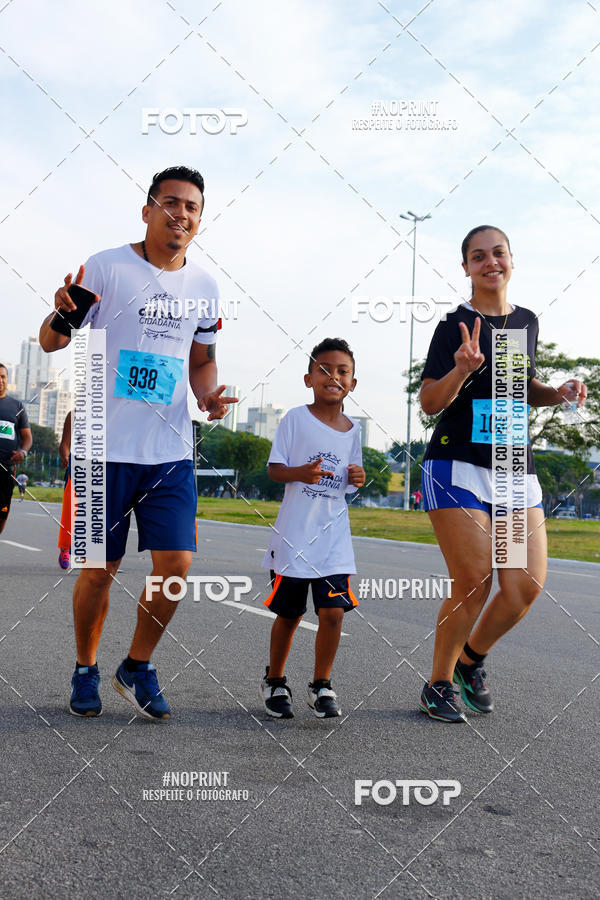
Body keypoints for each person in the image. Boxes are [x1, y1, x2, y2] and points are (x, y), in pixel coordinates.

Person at [39, 165, 237, 720]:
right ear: (148, 209)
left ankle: (138, 664)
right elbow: (51, 340)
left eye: (192, 207)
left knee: (176, 564)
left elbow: (201, 360)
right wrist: (64, 312)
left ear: (200, 220)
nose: (182, 214)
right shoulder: (105, 267)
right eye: (171, 203)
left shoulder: (204, 287)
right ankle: (86, 667)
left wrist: (208, 398)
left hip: (169, 451)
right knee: (99, 570)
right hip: (103, 445)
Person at [418, 225, 587, 723]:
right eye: (478, 256)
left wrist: (557, 392)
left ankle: (470, 662)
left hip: (514, 465)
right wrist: (462, 369)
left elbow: (519, 385)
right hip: (456, 463)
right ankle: (439, 683)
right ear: (465, 267)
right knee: (474, 580)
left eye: (498, 253)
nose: (489, 262)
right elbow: (430, 402)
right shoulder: (455, 326)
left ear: (511, 259)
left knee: (523, 587)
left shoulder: (527, 322)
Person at [260, 338, 365, 719]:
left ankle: (321, 684)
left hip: (334, 541)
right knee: (289, 615)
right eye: (324, 370)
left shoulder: (353, 430)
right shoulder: (294, 419)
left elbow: (350, 480)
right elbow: (274, 470)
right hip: (294, 538)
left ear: (352, 383)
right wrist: (300, 473)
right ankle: (275, 680)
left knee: (333, 613)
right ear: (309, 378)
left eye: (342, 371)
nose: (332, 377)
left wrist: (359, 476)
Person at [0, 363, 32, 534]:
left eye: (3, 377)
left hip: (6, 469)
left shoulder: (16, 406)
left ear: (7, 379)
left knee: (2, 513)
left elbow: (27, 437)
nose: (0, 380)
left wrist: (23, 452)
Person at [57, 410, 71, 569]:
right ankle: (65, 548)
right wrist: (65, 456)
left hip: (102, 470)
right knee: (70, 511)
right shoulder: (74, 414)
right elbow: (64, 445)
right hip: (78, 467)